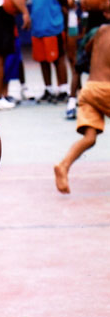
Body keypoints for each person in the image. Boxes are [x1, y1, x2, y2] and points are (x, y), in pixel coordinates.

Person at [54, 24, 110, 194]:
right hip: (105, 89)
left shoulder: (100, 31)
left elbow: (86, 48)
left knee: (90, 138)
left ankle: (63, 165)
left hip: (88, 89)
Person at [67, 0, 110, 120]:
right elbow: (84, 4)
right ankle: (72, 102)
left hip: (103, 32)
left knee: (99, 68)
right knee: (79, 66)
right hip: (91, 31)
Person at [30, 0, 69, 104]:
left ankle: (64, 89)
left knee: (58, 59)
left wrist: (62, 28)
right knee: (43, 61)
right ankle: (48, 89)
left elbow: (65, 6)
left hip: (54, 29)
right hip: (38, 29)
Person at [57, 0, 81, 118]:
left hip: (71, 24)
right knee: (61, 57)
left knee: (73, 58)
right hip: (58, 23)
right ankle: (64, 88)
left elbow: (71, 3)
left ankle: (77, 89)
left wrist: (63, 3)